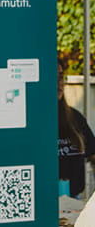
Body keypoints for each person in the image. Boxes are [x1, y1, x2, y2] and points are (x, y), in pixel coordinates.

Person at [58, 58, 95, 199]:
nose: (58, 84)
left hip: (73, 200)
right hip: (42, 200)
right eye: (52, 78)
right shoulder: (33, 121)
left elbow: (93, 153)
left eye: (61, 77)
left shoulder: (75, 118)